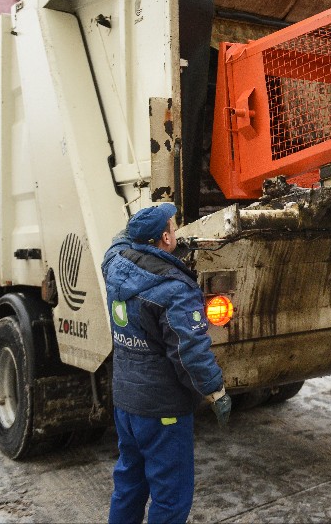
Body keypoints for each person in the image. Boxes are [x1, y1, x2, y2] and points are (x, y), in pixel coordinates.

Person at [102, 203, 232, 524]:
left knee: (130, 485)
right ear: (165, 237)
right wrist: (216, 392)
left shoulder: (115, 264)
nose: (176, 231)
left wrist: (148, 236)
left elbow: (120, 240)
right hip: (163, 411)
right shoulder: (175, 290)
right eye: (173, 228)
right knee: (170, 499)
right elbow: (190, 356)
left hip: (127, 404)